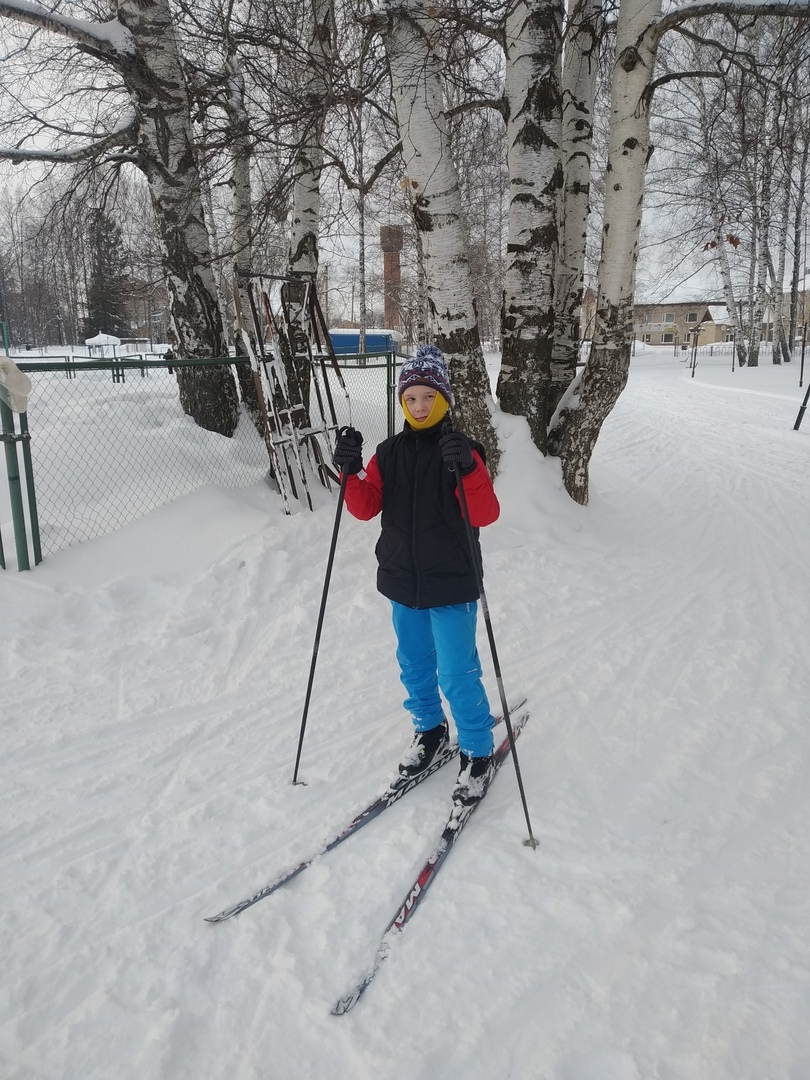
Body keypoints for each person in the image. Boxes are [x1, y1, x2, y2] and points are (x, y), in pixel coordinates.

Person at [332, 344, 501, 805]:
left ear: (444, 398)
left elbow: (485, 513)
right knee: (415, 666)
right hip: (403, 582)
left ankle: (477, 751)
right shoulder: (388, 453)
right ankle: (429, 730)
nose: (419, 407)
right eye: (411, 398)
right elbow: (366, 508)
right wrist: (348, 471)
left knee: (456, 672)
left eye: (428, 397)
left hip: (452, 582)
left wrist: (466, 467)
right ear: (401, 402)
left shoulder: (463, 452)